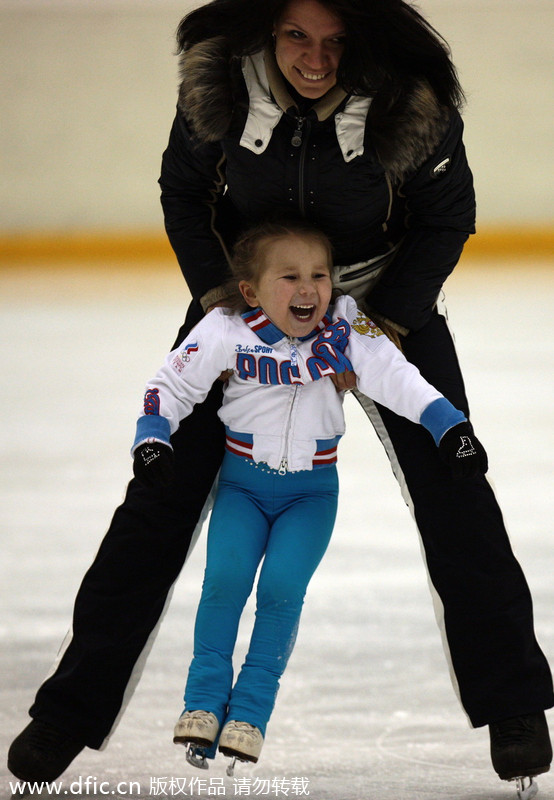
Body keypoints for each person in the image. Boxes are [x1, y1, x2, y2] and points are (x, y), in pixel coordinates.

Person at [8, 0, 553, 790]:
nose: (316, 60)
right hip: (253, 300)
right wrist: (222, 303)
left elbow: (448, 216)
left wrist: (387, 322)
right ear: (268, 29)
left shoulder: (410, 97)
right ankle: (68, 710)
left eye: (336, 42)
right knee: (157, 503)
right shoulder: (220, 85)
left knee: (455, 489)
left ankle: (514, 703)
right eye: (298, 36)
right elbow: (183, 194)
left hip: (380, 302)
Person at [131, 219, 486, 769]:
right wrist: (153, 438)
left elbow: (395, 374)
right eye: (290, 276)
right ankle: (201, 704)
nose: (308, 289)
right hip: (242, 489)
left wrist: (450, 427)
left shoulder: (344, 326)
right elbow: (170, 384)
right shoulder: (225, 328)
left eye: (320, 275)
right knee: (224, 583)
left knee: (281, 590)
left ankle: (250, 714)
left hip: (311, 497)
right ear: (250, 291)